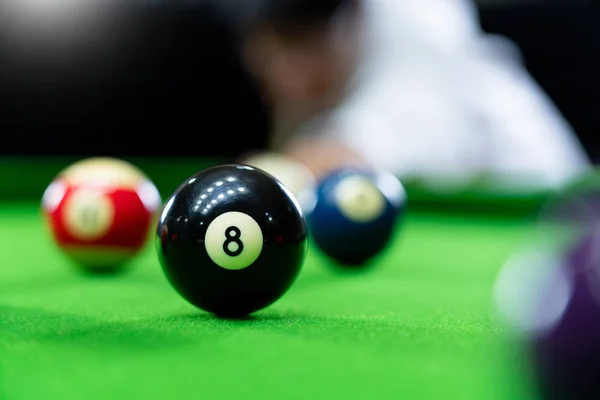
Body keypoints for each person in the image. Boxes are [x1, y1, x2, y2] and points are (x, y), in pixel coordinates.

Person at [232, 0, 592, 192]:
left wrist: (302, 166)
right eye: (264, 64)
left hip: (537, 195)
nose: (277, 77)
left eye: (282, 54)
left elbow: (408, 124)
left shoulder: (419, 14)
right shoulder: (315, 35)